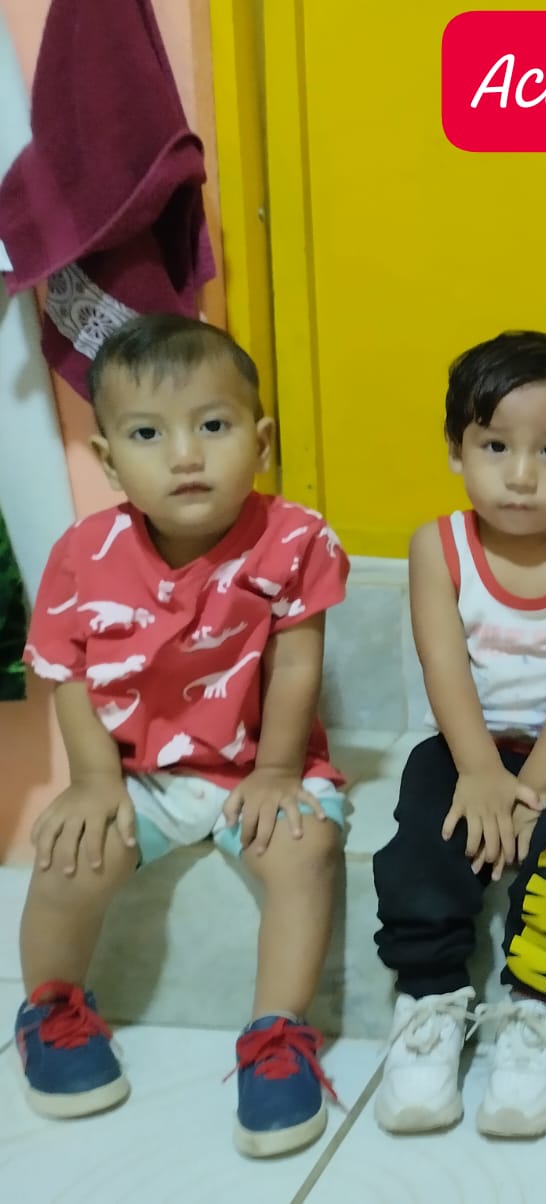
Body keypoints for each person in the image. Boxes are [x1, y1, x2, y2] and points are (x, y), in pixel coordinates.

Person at [17, 314, 350, 1157]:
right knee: (70, 857)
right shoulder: (83, 553)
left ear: (261, 441)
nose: (185, 456)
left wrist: (278, 770)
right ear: (107, 461)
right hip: (138, 773)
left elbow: (298, 665)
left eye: (213, 425)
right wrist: (95, 781)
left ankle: (277, 1036)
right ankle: (51, 1010)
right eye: (147, 434)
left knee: (306, 850)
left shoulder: (296, 538)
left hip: (260, 764)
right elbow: (66, 673)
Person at [371, 331, 546, 1140]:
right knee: (423, 833)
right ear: (458, 450)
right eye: (495, 446)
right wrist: (481, 773)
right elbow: (443, 662)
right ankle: (429, 999)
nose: (521, 474)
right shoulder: (437, 546)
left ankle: (535, 1008)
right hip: (466, 741)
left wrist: (535, 788)